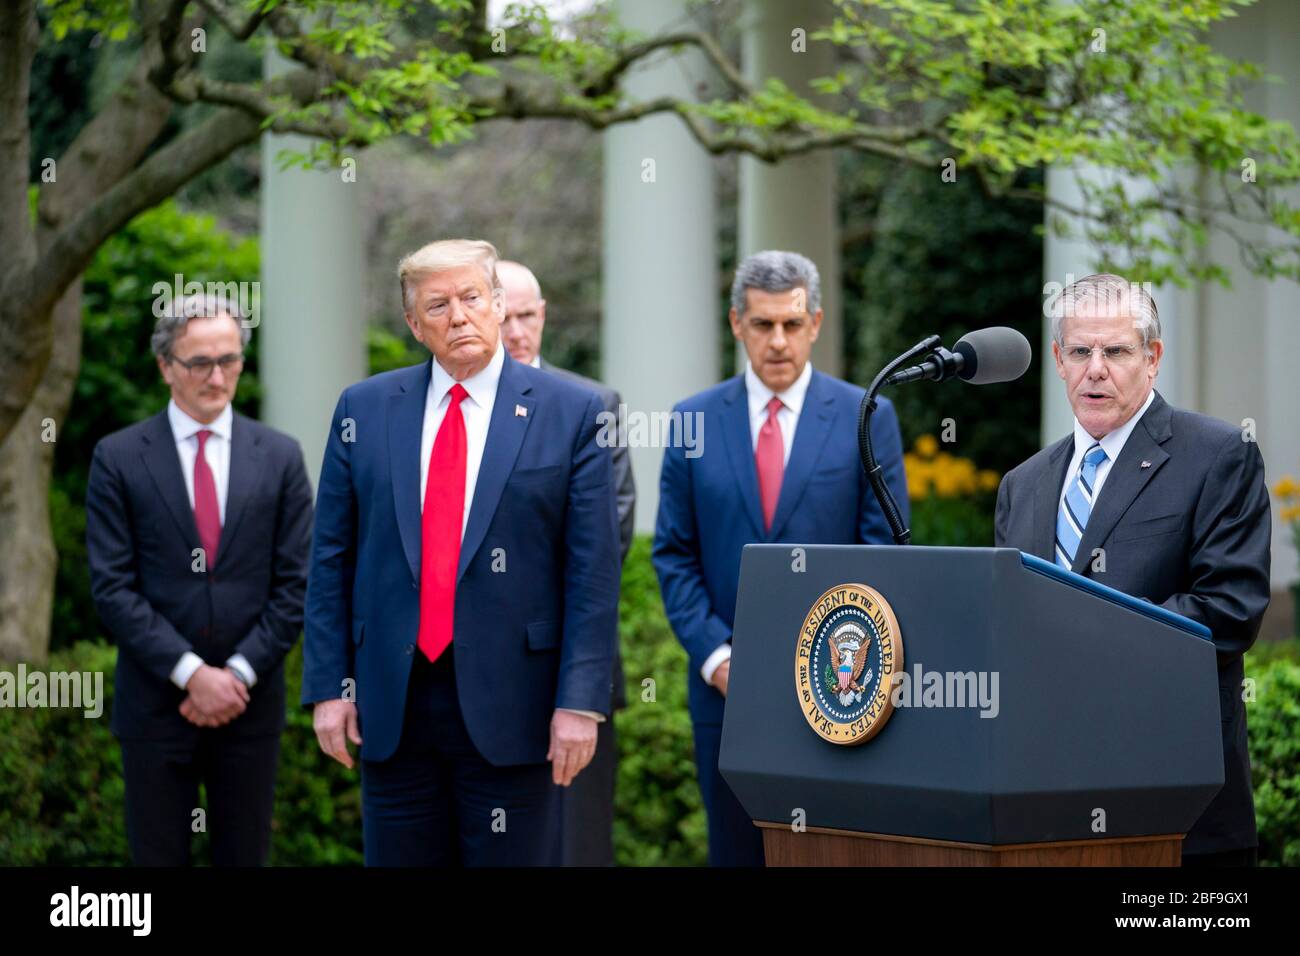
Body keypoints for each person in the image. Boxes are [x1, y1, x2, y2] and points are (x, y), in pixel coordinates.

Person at [302, 238, 620, 866]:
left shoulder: (573, 411)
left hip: (520, 711)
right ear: (414, 324)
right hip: (393, 709)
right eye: (438, 305)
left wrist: (580, 701)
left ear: (499, 304)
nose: (459, 316)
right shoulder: (363, 409)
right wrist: (328, 687)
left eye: (472, 297)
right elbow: (331, 559)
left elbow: (592, 573)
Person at [996, 273, 1271, 866]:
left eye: (1116, 351)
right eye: (1080, 351)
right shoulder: (1022, 486)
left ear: (1153, 359)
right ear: (1058, 361)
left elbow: (1229, 610)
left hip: (1175, 816)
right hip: (1042, 812)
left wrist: (1084, 644)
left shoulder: (1218, 456)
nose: (1096, 368)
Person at [652, 250, 908, 866]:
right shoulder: (692, 420)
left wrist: (841, 666)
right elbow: (674, 554)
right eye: (763, 325)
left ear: (815, 323)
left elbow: (884, 553)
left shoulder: (865, 417)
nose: (778, 341)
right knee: (735, 855)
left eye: (792, 325)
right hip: (725, 696)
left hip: (840, 695)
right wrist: (715, 658)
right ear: (737, 322)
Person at [85, 293, 313, 865]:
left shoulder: (281, 456)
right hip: (157, 706)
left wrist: (234, 675)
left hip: (250, 703)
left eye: (230, 360)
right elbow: (112, 586)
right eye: (200, 362)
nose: (218, 376)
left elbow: (299, 583)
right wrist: (191, 675)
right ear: (166, 366)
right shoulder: (118, 457)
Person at [497, 259, 635, 867]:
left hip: (575, 662)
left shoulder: (594, 404)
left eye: (527, 316)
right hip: (477, 668)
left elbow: (611, 537)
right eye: (504, 318)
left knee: (576, 845)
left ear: (544, 314)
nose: (517, 331)